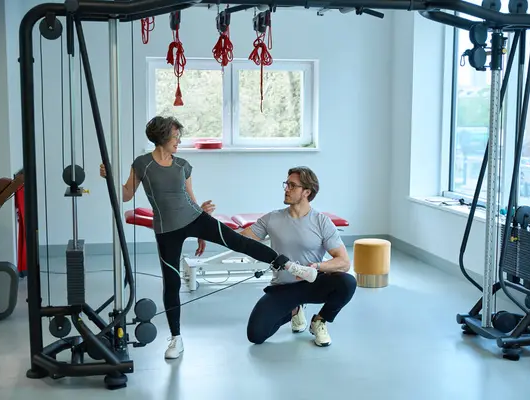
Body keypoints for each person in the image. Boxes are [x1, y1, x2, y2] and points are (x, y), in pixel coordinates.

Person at [99, 116, 317, 359]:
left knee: (240, 242)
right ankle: (176, 339)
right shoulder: (142, 164)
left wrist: (200, 231)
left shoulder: (182, 164)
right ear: (162, 137)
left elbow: (190, 197)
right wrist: (109, 178)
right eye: (175, 137)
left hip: (195, 219)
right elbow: (127, 195)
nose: (179, 141)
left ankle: (290, 265)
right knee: (171, 283)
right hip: (166, 230)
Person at [241, 166, 357, 347]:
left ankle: (319, 321)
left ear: (306, 192)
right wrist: (209, 223)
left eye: (292, 186)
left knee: (347, 282)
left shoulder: (321, 222)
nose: (286, 189)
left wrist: (316, 267)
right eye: (286, 184)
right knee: (256, 335)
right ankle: (294, 310)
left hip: (312, 283)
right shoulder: (272, 218)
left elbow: (344, 262)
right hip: (283, 288)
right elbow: (241, 238)